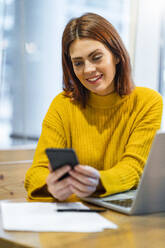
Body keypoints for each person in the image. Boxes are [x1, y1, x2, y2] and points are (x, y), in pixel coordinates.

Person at [25, 12, 163, 202]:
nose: (88, 69)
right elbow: (36, 173)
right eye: (78, 63)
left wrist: (99, 182)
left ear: (116, 55)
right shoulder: (62, 105)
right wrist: (50, 185)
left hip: (121, 214)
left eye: (96, 57)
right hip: (72, 216)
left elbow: (134, 168)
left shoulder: (147, 102)